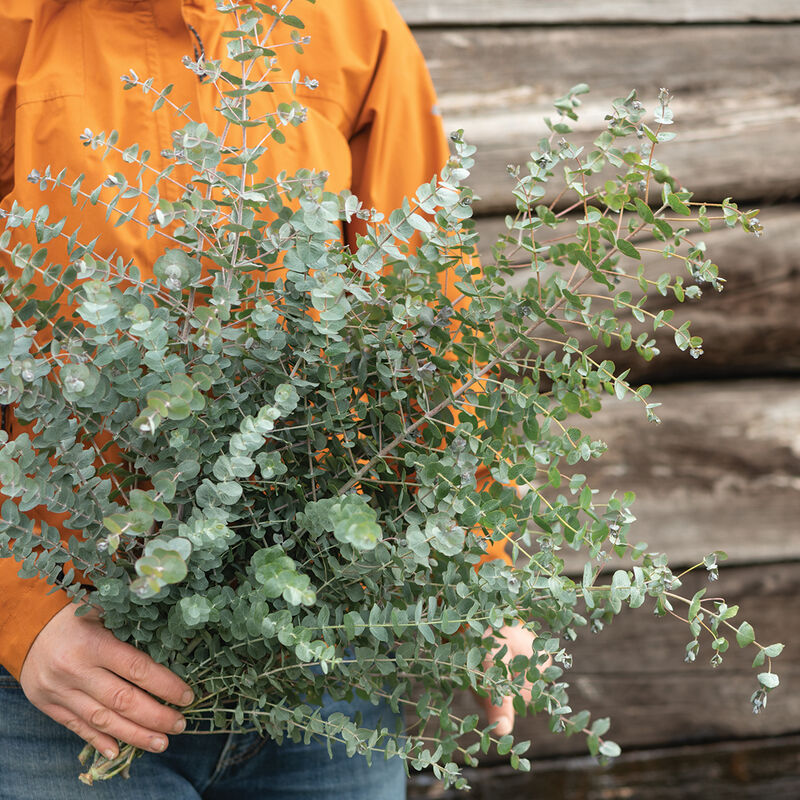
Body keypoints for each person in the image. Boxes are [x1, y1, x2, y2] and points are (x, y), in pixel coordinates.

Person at [0, 1, 538, 797]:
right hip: (69, 678)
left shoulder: (351, 22)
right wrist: (20, 609)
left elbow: (429, 312)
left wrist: (480, 568)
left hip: (326, 659)